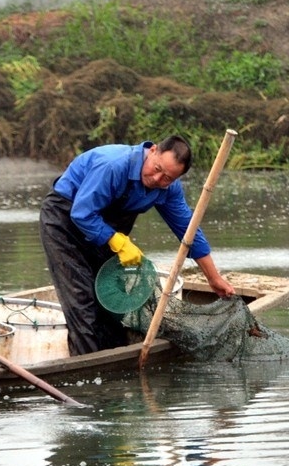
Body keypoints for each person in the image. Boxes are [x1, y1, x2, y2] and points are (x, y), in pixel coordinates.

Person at [39, 135, 235, 356]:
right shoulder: (114, 165)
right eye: (157, 168)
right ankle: (88, 371)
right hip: (65, 222)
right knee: (82, 301)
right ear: (152, 151)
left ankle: (114, 362)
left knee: (112, 302)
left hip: (106, 228)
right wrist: (118, 242)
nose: (156, 178)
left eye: (167, 178)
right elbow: (82, 213)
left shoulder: (168, 189)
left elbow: (189, 232)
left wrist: (213, 278)